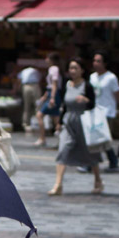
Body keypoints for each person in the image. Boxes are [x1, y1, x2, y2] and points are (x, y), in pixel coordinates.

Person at [48, 58, 102, 196]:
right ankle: (58, 184)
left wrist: (86, 100)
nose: (72, 71)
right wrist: (59, 122)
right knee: (63, 149)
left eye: (75, 68)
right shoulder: (67, 85)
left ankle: (98, 180)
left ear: (82, 70)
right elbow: (64, 106)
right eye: (71, 68)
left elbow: (93, 105)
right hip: (69, 122)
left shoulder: (87, 86)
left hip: (84, 122)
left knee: (90, 151)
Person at [89, 51, 119, 170]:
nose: (95, 63)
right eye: (94, 60)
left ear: (105, 63)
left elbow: (118, 94)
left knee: (102, 139)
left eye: (98, 61)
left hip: (107, 112)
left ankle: (94, 163)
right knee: (96, 138)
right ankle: (109, 161)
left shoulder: (111, 77)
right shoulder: (92, 77)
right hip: (94, 111)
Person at [35, 52, 62, 146]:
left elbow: (54, 84)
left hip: (53, 94)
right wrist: (45, 96)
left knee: (39, 115)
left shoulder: (53, 69)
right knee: (56, 118)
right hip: (52, 93)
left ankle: (42, 138)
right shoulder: (55, 69)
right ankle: (61, 140)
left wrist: (52, 97)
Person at [18, 64, 42, 130]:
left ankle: (26, 124)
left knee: (27, 106)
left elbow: (19, 80)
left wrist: (18, 89)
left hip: (26, 86)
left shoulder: (23, 71)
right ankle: (39, 123)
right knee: (38, 105)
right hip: (35, 85)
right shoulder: (35, 70)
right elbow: (39, 79)